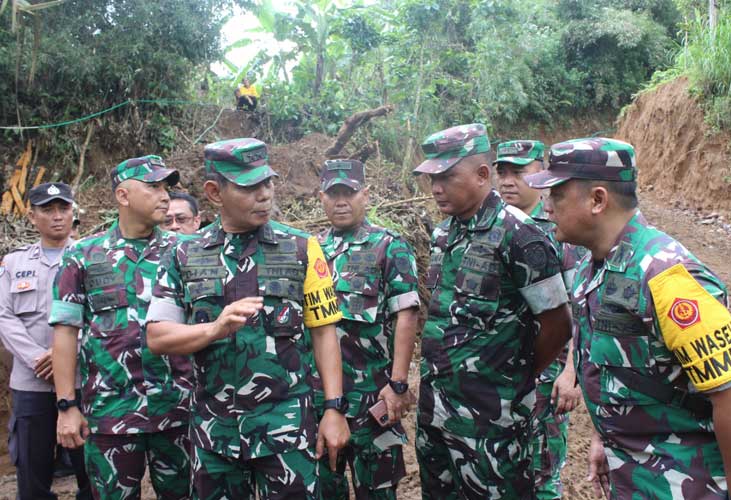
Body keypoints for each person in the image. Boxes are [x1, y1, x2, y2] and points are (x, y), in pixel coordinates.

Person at [525, 137, 731, 500]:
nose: (545, 206)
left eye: (556, 194)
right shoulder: (590, 269)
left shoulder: (669, 278)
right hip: (630, 475)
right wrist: (603, 437)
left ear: (598, 200)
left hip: (687, 483)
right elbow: (611, 372)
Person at [145, 138, 350, 499]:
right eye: (249, 186)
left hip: (286, 431)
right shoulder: (183, 254)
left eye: (267, 183)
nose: (264, 194)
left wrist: (334, 409)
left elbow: (324, 332)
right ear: (214, 192)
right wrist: (215, 328)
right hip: (214, 435)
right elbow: (158, 337)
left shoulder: (303, 248)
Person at [413, 123, 572, 500]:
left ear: (483, 175)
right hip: (435, 412)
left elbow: (558, 322)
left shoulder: (520, 234)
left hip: (491, 420)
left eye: (447, 177)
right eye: (431, 178)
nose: (436, 188)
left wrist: (517, 373)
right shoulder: (443, 235)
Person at [49, 156, 193, 500]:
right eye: (154, 187)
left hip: (179, 409)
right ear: (123, 196)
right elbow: (65, 332)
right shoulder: (83, 256)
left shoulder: (186, 251)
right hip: (111, 413)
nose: (164, 196)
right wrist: (66, 406)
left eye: (167, 188)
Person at [315, 159, 420, 499]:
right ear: (322, 198)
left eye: (350, 192)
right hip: (323, 401)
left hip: (373, 397)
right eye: (334, 194)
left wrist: (399, 383)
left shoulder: (388, 246)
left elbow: (406, 314)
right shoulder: (312, 249)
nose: (341, 201)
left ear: (366, 195)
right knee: (324, 488)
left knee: (376, 491)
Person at [494, 140, 584, 500]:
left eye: (519, 171)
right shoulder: (493, 229)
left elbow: (581, 307)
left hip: (546, 380)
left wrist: (571, 373)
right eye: (502, 172)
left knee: (542, 472)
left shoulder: (561, 233)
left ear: (541, 175)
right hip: (499, 378)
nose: (508, 180)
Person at [0, 182, 92, 500]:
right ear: (31, 216)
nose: (57, 217)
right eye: (47, 210)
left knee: (91, 472)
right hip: (31, 382)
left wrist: (65, 354)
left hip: (83, 380)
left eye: (63, 208)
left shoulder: (92, 257)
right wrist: (39, 357)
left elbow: (101, 317)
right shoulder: (13, 264)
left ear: (73, 211)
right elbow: (4, 317)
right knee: (32, 473)